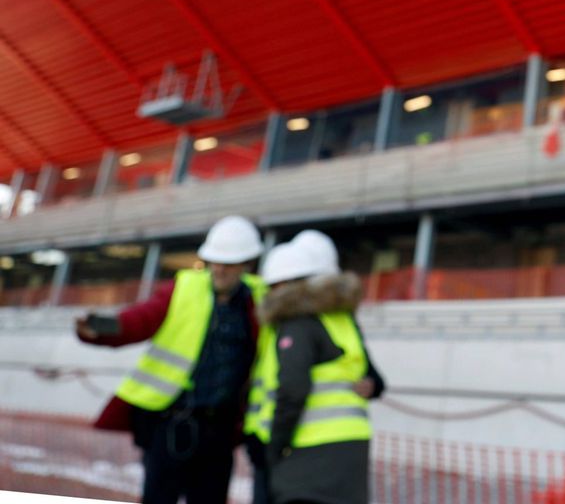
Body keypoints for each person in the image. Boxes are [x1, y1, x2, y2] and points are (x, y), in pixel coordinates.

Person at [76, 215, 266, 504]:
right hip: (172, 425)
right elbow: (141, 319)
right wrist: (99, 329)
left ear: (247, 264)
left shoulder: (262, 299)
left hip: (221, 432)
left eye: (229, 263)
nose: (220, 269)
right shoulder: (185, 287)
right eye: (215, 261)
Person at [251, 237, 377, 504]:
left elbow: (293, 390)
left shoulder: (298, 323)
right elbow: (371, 375)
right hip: (351, 445)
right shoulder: (341, 319)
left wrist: (276, 447)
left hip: (308, 449)